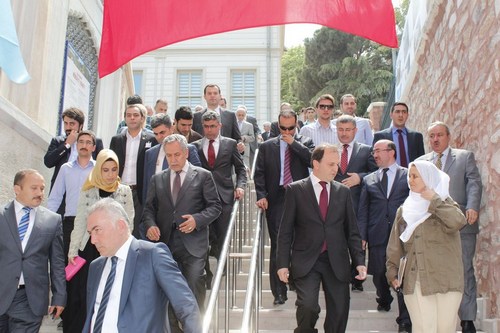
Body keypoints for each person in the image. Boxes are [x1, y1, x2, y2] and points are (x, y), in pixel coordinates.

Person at [277, 144, 367, 333]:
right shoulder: (296, 190)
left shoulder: (343, 192)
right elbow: (285, 231)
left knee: (339, 311)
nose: (336, 169)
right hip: (306, 259)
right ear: (316, 164)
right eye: (330, 164)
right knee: (308, 306)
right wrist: (282, 264)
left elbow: (352, 231)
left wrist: (359, 261)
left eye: (337, 165)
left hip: (336, 260)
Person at [83, 198, 202, 333]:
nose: (93, 240)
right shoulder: (95, 267)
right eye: (90, 233)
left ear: (120, 226)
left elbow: (186, 306)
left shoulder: (152, 255)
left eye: (97, 230)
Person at [143, 134, 221, 325]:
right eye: (169, 156)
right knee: (167, 290)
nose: (173, 159)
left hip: (194, 244)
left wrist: (197, 219)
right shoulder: (158, 178)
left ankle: (196, 327)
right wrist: (151, 225)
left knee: (194, 285)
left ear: (186, 153)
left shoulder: (203, 175)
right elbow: (148, 210)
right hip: (165, 245)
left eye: (177, 154)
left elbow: (215, 207)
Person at [386, 160, 467, 333]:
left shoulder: (445, 202)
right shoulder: (405, 210)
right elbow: (395, 244)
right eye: (409, 176)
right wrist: (392, 271)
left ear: (428, 178)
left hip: (447, 279)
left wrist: (434, 200)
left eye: (415, 176)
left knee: (445, 328)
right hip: (416, 278)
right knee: (424, 328)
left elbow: (458, 222)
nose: (410, 180)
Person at [416, 121, 482, 333]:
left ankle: (467, 320)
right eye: (432, 136)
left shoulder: (464, 157)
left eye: (439, 135)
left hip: (461, 223)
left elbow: (474, 182)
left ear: (448, 137)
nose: (435, 139)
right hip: (431, 227)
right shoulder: (421, 162)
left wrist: (472, 206)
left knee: (464, 269)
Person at [64, 149, 134, 333]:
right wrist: (73, 251)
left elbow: (129, 222)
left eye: (114, 169)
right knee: (83, 294)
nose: (110, 174)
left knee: (108, 292)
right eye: (106, 170)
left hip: (113, 248)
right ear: (99, 171)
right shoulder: (88, 190)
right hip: (89, 246)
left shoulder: (125, 191)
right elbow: (79, 221)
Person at [254, 109, 315, 305]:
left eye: (290, 128)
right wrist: (262, 195)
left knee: (301, 242)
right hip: (277, 198)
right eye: (282, 128)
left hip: (301, 197)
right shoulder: (267, 146)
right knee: (279, 245)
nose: (286, 132)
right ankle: (278, 292)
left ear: (297, 124)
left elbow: (312, 160)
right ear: (277, 126)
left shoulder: (304, 142)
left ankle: (296, 282)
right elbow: (259, 173)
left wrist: (293, 144)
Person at [0, 169, 66, 332]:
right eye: (34, 188)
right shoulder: (1, 215)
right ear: (17, 189)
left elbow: (57, 262)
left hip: (30, 298)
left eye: (42, 189)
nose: (39, 193)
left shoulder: (53, 220)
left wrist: (59, 296)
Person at [357, 140, 411, 332]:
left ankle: (404, 320)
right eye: (374, 152)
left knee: (402, 276)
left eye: (378, 151)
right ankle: (384, 297)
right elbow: (363, 210)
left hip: (403, 235)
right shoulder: (369, 179)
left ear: (392, 152)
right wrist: (362, 235)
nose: (375, 155)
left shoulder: (408, 175)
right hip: (377, 233)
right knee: (379, 272)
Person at [192, 111, 247, 287]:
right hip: (202, 199)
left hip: (224, 196)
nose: (209, 130)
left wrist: (240, 186)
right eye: (206, 127)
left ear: (220, 126)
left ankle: (223, 267)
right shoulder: (195, 146)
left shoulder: (230, 144)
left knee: (223, 236)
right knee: (204, 238)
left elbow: (241, 169)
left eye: (213, 126)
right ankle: (206, 274)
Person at [334, 114, 377, 292]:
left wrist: (360, 177)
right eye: (341, 130)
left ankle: (357, 278)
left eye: (348, 130)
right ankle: (340, 276)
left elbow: (377, 174)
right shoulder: (330, 150)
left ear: (355, 131)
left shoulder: (366, 150)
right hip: (334, 206)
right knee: (337, 243)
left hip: (358, 205)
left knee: (358, 242)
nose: (344, 134)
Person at [47, 130, 96, 265]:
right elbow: (55, 197)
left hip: (91, 224)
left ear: (93, 147)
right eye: (80, 142)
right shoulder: (65, 168)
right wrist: (48, 222)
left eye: (88, 142)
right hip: (70, 222)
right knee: (67, 264)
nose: (84, 145)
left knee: (87, 266)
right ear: (75, 145)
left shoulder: (99, 169)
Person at [109, 103, 158, 238]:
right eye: (128, 115)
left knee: (135, 230)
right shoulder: (116, 140)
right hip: (118, 189)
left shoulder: (151, 139)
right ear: (125, 118)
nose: (132, 118)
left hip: (140, 192)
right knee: (116, 228)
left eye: (136, 115)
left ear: (142, 118)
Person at [142, 113, 201, 204]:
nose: (159, 137)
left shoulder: (188, 149)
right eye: (156, 134)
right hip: (157, 206)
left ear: (172, 128)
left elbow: (197, 180)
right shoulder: (150, 153)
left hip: (183, 205)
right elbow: (147, 186)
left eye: (162, 132)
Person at [44, 107, 103, 190]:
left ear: (81, 126)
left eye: (72, 124)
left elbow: (101, 168)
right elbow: (48, 162)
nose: (68, 127)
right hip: (62, 191)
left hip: (86, 190)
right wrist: (67, 145)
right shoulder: (58, 141)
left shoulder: (95, 142)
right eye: (65, 123)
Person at [373, 102, 425, 167]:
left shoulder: (416, 137)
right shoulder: (380, 136)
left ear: (407, 115)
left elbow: (422, 160)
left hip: (411, 175)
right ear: (391, 115)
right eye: (397, 112)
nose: (401, 115)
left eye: (404, 112)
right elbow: (375, 159)